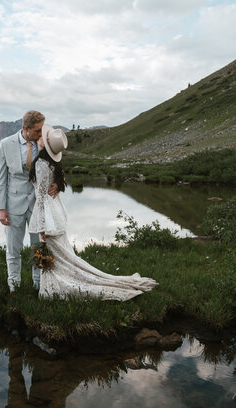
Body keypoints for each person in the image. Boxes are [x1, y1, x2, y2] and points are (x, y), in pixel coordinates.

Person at [28, 124, 158, 299]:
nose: (39, 138)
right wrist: (58, 184)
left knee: (54, 252)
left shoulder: (42, 164)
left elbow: (41, 196)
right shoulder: (53, 163)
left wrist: (42, 225)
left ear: (45, 143)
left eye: (42, 137)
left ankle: (56, 287)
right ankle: (56, 283)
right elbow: (56, 183)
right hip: (55, 210)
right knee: (61, 254)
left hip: (49, 214)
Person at [0, 110, 59, 292]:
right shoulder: (6, 144)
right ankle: (14, 286)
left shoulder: (44, 143)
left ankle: (39, 286)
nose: (41, 134)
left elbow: (55, 169)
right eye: (38, 131)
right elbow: (0, 179)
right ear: (26, 128)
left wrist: (57, 183)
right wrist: (1, 208)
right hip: (13, 205)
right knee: (13, 249)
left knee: (37, 248)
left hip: (38, 204)